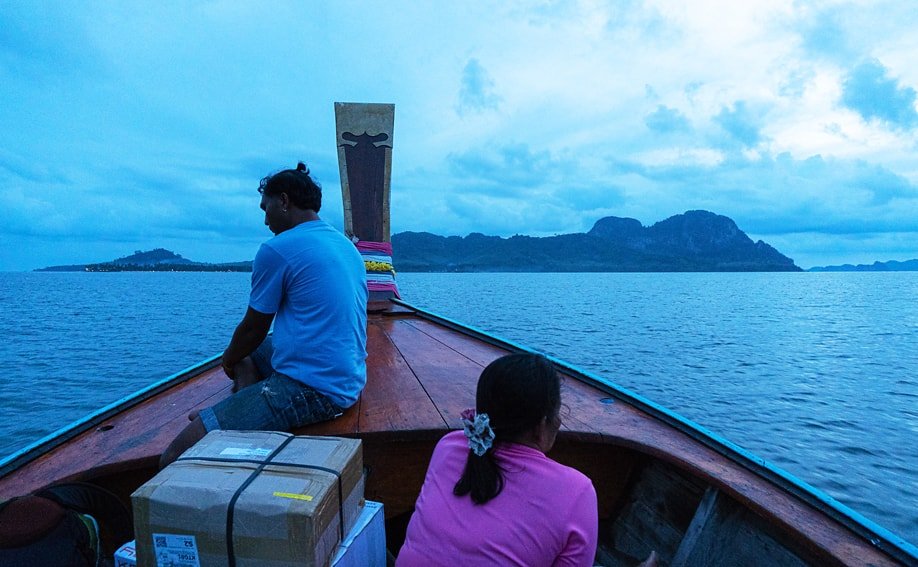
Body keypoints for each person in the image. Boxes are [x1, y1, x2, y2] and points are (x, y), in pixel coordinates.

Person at [160, 162, 368, 467]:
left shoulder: (278, 249)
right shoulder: (345, 245)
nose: (265, 218)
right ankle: (239, 409)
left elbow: (253, 328)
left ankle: (233, 418)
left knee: (175, 455)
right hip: (348, 375)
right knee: (252, 351)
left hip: (316, 389)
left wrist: (228, 359)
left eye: (265, 207)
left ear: (283, 201)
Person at [396, 353, 599, 567]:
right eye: (557, 414)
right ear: (541, 426)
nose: (558, 422)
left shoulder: (448, 446)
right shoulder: (577, 491)